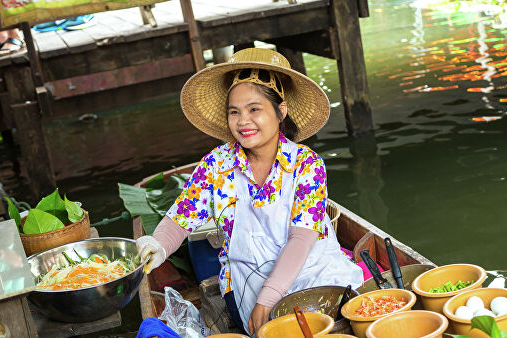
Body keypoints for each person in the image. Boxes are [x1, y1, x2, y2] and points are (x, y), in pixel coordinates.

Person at [136, 48, 364, 335]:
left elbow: (301, 240)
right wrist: (157, 244)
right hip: (247, 285)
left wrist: (269, 298)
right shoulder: (217, 164)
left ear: (280, 111)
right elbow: (180, 219)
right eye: (234, 112)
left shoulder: (307, 164)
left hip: (313, 273)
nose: (243, 121)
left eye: (254, 109)